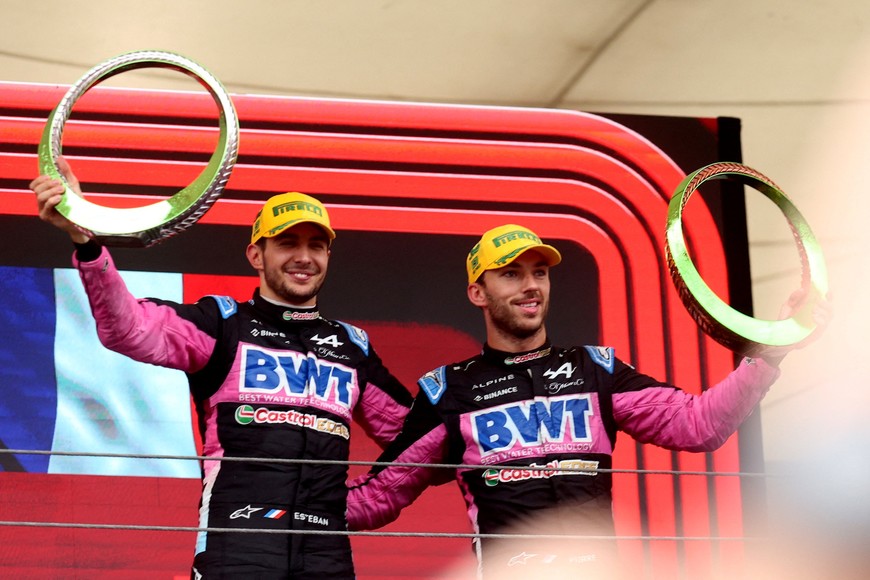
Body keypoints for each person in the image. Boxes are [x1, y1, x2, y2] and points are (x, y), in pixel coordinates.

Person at [346, 223, 830, 578]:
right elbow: (380, 495)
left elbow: (699, 425)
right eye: (511, 274)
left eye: (539, 272)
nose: (531, 285)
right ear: (478, 292)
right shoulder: (450, 390)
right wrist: (280, 505)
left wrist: (771, 353)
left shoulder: (594, 370)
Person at [31, 158, 414, 579]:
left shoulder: (350, 347)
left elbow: (419, 442)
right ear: (256, 253)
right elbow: (129, 328)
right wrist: (86, 240)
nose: (303, 257)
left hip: (326, 557)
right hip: (235, 545)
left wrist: (367, 503)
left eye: (315, 245)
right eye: (287, 243)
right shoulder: (222, 323)